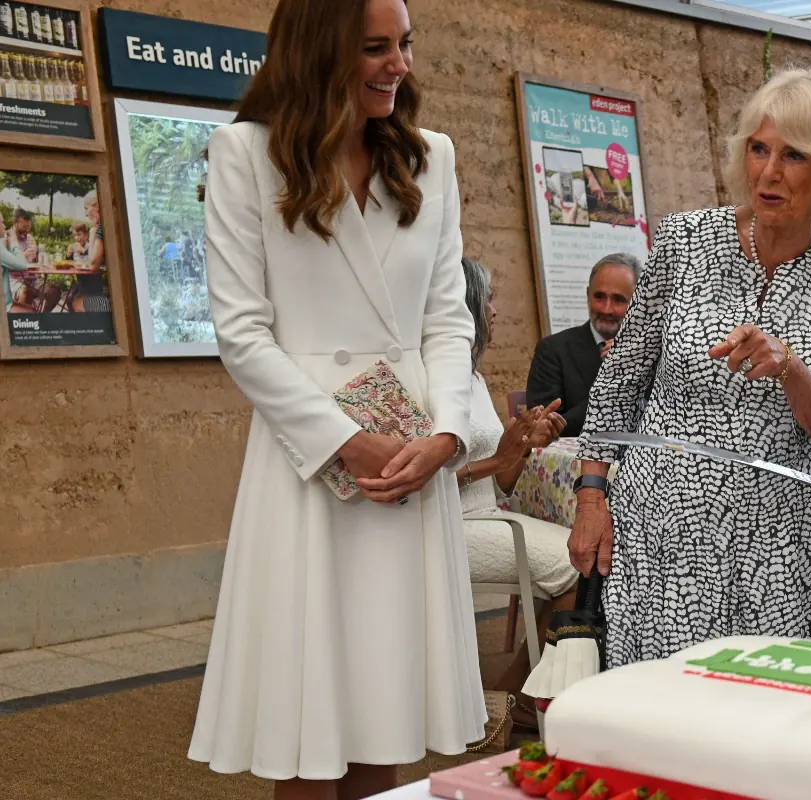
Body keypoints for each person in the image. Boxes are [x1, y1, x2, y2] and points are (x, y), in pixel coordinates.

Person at [188, 0, 485, 796]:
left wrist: (449, 435)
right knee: (309, 719)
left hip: (414, 457)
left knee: (386, 702)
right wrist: (346, 441)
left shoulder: (432, 158)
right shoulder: (245, 153)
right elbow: (242, 333)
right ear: (320, 52)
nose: (400, 65)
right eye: (375, 48)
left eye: (406, 45)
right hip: (310, 463)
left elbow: (447, 321)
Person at [566, 69, 811, 667]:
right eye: (759, 149)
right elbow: (620, 382)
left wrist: (789, 366)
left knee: (767, 716)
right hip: (664, 524)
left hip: (783, 537)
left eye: (794, 156)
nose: (769, 172)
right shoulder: (686, 240)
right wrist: (591, 497)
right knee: (664, 710)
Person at [455, 258, 578, 731]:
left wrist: (526, 446)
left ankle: (518, 687)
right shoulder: (431, 379)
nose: (494, 312)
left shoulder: (474, 376)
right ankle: (530, 699)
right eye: (486, 300)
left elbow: (499, 483)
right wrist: (500, 457)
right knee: (575, 561)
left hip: (487, 514)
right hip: (450, 528)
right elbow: (420, 481)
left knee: (581, 550)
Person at [524, 253, 639, 436]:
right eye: (599, 297)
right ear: (587, 294)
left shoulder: (655, 353)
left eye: (618, 300)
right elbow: (546, 431)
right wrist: (612, 379)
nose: (606, 309)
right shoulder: (553, 350)